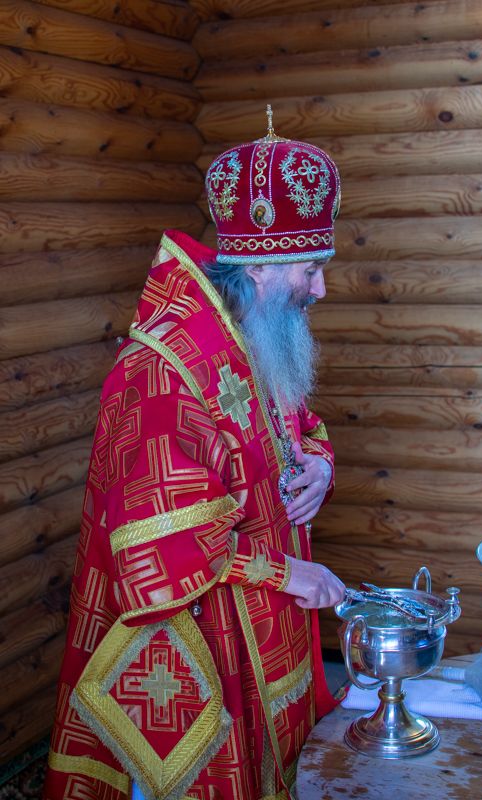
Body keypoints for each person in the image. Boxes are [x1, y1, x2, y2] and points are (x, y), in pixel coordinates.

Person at [43, 109, 345, 800]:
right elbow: (153, 545)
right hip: (203, 635)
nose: (320, 289)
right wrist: (285, 572)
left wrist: (320, 464)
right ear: (261, 265)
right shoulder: (163, 371)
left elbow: (298, 424)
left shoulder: (253, 330)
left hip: (269, 615)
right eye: (310, 269)